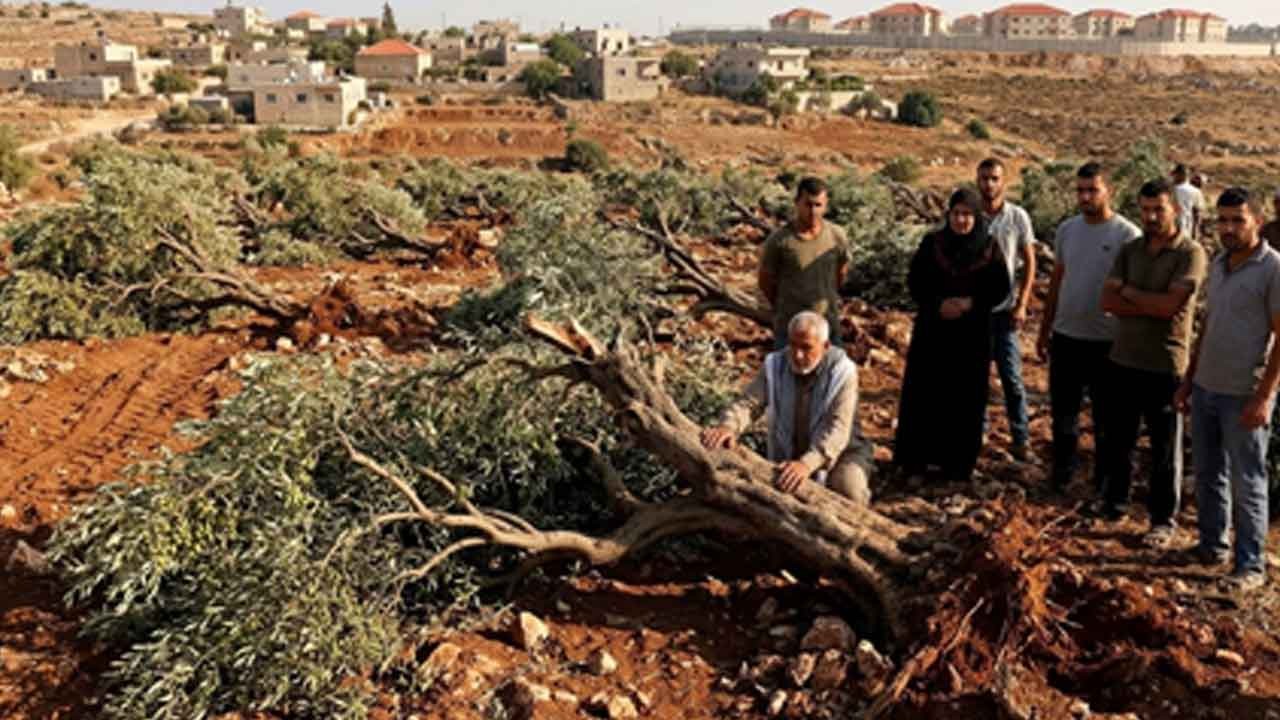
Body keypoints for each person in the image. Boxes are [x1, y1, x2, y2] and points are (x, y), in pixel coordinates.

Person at [1175, 188, 1280, 591]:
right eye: (1223, 220)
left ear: (1257, 220)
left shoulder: (1272, 269)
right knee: (1207, 472)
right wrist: (1189, 380)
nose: (1229, 228)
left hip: (1244, 393)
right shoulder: (1219, 264)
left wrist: (1264, 396)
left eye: (1238, 220)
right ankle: (1211, 545)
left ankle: (1250, 564)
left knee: (1247, 479)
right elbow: (1208, 326)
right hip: (1206, 387)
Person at [1098, 179, 1207, 548]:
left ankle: (1162, 519)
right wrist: (1144, 301)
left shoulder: (1190, 254)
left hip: (1165, 363)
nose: (1151, 216)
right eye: (1145, 210)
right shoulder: (1130, 250)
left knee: (1164, 448)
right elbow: (1107, 302)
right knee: (1119, 440)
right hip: (1123, 358)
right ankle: (1115, 504)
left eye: (1158, 209)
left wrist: (1128, 292)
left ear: (1174, 209)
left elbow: (1168, 308)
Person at [895, 189, 1012, 482]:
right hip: (933, 332)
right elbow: (915, 281)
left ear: (976, 216)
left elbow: (1001, 287)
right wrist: (938, 304)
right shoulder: (932, 243)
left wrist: (971, 303)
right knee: (925, 393)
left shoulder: (989, 247)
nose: (961, 220)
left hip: (970, 336)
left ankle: (957, 466)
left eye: (968, 214)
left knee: (965, 397)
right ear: (948, 215)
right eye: (956, 214)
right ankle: (917, 462)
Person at [1037, 162, 1142, 489]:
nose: (1085, 197)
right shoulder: (1067, 230)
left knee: (1106, 420)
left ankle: (1104, 483)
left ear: (1108, 190)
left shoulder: (1127, 235)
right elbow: (1057, 280)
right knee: (1063, 415)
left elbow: (1133, 291)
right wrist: (1045, 328)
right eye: (1080, 190)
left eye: (1092, 190)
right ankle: (1061, 477)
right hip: (1067, 336)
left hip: (1107, 342)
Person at [701, 311, 873, 504]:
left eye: (806, 348)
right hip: (792, 449)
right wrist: (728, 426)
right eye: (793, 345)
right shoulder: (776, 364)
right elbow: (749, 403)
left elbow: (837, 430)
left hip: (841, 452)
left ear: (825, 347)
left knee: (849, 491)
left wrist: (807, 464)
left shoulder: (843, 372)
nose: (798, 355)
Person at [977, 158, 1036, 461]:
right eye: (984, 178)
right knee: (976, 378)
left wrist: (1023, 303)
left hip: (1005, 310)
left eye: (994, 178)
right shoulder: (970, 216)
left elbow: (1029, 260)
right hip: (975, 313)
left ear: (1004, 181)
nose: (989, 184)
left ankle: (1021, 437)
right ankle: (978, 435)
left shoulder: (1017, 217)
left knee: (1011, 378)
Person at [758, 177, 850, 349]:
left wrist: (828, 297)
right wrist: (783, 308)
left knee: (834, 373)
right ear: (796, 203)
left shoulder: (837, 236)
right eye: (808, 204)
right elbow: (765, 281)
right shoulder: (780, 241)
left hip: (827, 325)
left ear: (826, 205)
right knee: (787, 374)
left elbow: (841, 272)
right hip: (791, 329)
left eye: (818, 205)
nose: (813, 211)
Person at [1172, 164, 1205, 241]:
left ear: (1178, 174)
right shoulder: (1196, 191)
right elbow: (1198, 214)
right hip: (1187, 230)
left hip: (1172, 232)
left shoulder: (1170, 190)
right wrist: (1195, 233)